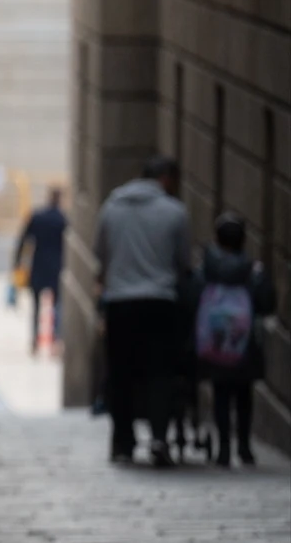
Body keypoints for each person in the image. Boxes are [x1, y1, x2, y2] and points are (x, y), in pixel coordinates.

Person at [94, 156, 192, 467]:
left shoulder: (111, 208)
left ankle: (123, 440)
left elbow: (101, 255)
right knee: (159, 372)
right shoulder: (175, 213)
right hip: (160, 303)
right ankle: (159, 437)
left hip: (120, 303)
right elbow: (183, 263)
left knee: (120, 374)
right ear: (166, 178)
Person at [189, 215, 277, 467]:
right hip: (243, 341)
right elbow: (267, 303)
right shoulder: (252, 270)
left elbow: (193, 296)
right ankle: (245, 447)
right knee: (243, 394)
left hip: (215, 342)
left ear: (217, 239)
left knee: (221, 394)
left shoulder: (206, 269)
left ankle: (224, 448)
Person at [14, 187, 68, 354]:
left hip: (38, 266)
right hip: (57, 267)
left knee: (36, 307)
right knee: (56, 305)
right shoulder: (63, 220)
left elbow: (24, 239)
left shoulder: (37, 217)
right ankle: (55, 339)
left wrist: (17, 263)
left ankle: (35, 341)